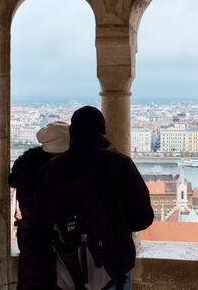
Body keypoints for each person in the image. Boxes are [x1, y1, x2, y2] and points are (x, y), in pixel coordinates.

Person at [34, 106, 154, 290]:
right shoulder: (121, 165)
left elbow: (40, 222)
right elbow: (143, 218)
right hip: (113, 267)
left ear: (72, 132)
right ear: (102, 132)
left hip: (66, 270)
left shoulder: (52, 169)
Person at [9, 121, 70, 290]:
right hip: (62, 238)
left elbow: (13, 181)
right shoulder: (66, 167)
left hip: (30, 238)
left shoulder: (26, 163)